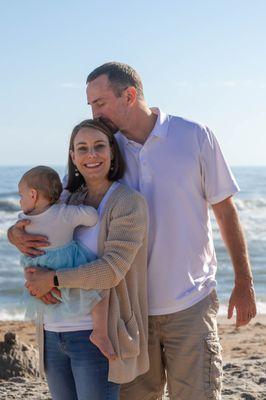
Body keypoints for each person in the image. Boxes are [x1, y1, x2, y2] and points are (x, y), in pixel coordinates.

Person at [10, 62, 257, 399]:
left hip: (189, 302)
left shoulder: (194, 136)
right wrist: (15, 234)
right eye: (91, 106)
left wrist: (244, 282)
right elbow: (53, 205)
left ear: (128, 95)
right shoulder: (105, 149)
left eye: (100, 103)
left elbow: (225, 211)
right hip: (128, 313)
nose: (95, 114)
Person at [9, 118, 149, 400]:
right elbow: (36, 223)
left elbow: (112, 270)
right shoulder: (67, 198)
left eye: (99, 146)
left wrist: (53, 280)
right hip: (50, 332)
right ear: (73, 156)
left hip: (94, 335)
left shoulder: (128, 203)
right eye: (82, 148)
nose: (91, 155)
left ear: (112, 151)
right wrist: (13, 233)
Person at [18, 165, 118, 361]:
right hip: (67, 262)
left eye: (21, 196)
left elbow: (19, 237)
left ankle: (57, 325)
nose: (20, 201)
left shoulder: (23, 219)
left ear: (33, 195)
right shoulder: (64, 212)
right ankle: (100, 331)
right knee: (98, 292)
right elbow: (91, 217)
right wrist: (76, 209)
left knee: (51, 295)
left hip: (39, 265)